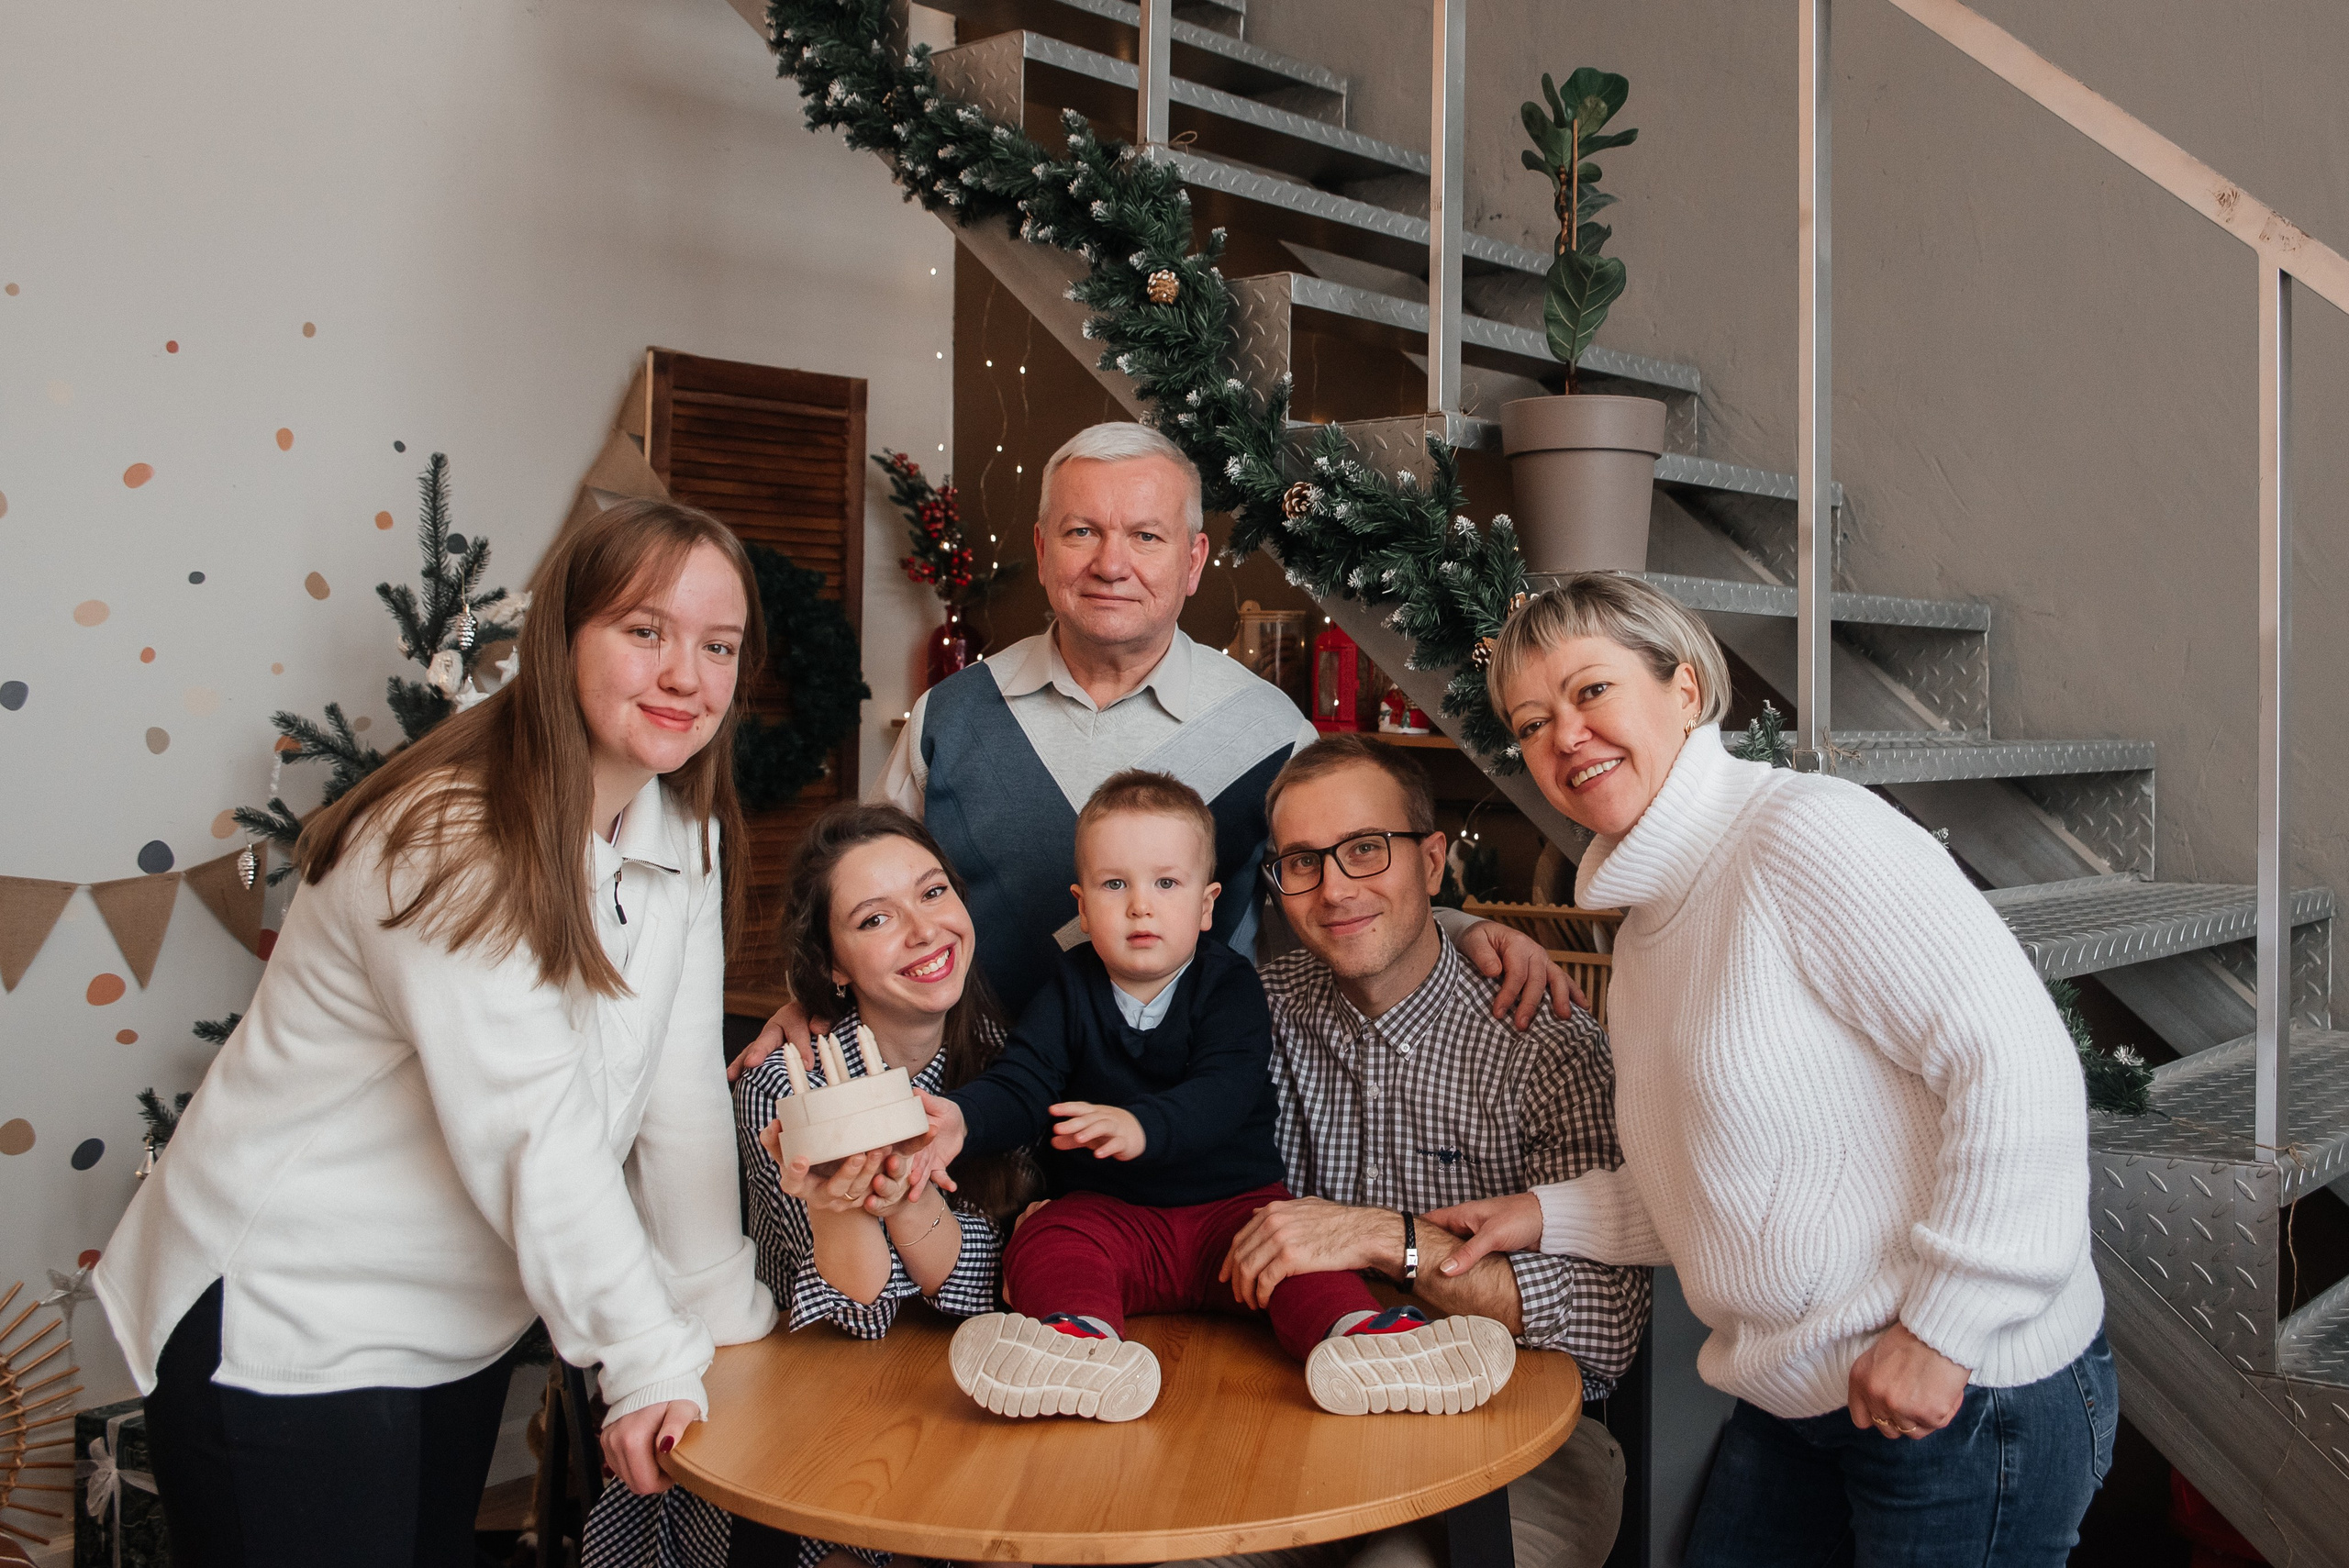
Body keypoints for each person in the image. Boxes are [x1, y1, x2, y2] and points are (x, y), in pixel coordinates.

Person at [95, 499, 779, 1566]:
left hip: (450, 1328)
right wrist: (645, 1357)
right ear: (560, 639)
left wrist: (718, 1322)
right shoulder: (446, 834)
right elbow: (534, 1133)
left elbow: (680, 1097)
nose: (687, 675)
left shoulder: (678, 827)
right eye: (645, 631)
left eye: (718, 644)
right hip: (289, 1322)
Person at [1430, 575, 2113, 1568]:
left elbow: (2016, 1065)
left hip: (1963, 1394)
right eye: (1531, 721)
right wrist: (1542, 1213)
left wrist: (1944, 1328)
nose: (1563, 735)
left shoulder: (1801, 834)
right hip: (1797, 1394)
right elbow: (1723, 1172)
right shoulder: (1656, 910)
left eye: (1590, 691)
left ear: (1687, 689)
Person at [737, 421, 1575, 1077]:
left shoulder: (1269, 729)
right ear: (1040, 550)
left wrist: (1460, 926)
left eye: (1146, 536)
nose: (1111, 563)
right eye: (1080, 533)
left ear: (1194, 561)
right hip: (978, 1101)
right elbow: (861, 901)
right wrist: (807, 1001)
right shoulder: (948, 717)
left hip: (1190, 1109)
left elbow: (1346, 878)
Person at [1174, 735, 1650, 1568]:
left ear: (1432, 862)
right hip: (1289, 1407)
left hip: (1510, 1443)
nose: (1334, 889)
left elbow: (1608, 1332)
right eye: (1302, 862)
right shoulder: (1252, 1017)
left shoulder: (1545, 1040)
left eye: (1366, 850)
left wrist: (1387, 1237)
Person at [918, 770, 1514, 1422]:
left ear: (1206, 906)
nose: (1141, 905)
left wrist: (1142, 1127)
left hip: (1234, 1216)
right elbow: (1023, 1080)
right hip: (1112, 1214)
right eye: (1116, 884)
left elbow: (1224, 1091)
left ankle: (1365, 1339)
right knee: (1050, 1236)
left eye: (1165, 883)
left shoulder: (1229, 984)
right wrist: (963, 1118)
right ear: (1083, 906)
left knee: (1302, 1253)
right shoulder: (1067, 988)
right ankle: (1079, 1344)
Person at [584, 802, 1033, 1568]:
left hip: (971, 1406)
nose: (925, 931)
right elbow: (858, 1313)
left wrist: (908, 1196)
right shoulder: (781, 1089)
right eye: (873, 920)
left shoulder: (1013, 1067)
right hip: (810, 1415)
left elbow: (1002, 1283)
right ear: (832, 964)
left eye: (932, 893)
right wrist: (857, 1207)